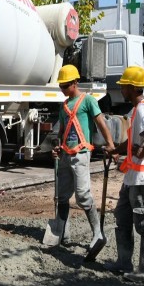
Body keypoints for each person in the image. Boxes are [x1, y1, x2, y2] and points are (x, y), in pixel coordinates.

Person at [43, 64, 115, 261]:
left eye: (66, 86)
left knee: (83, 196)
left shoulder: (88, 101)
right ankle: (63, 234)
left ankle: (97, 233)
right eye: (61, 86)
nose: (63, 89)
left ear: (75, 83)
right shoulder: (64, 106)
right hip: (66, 155)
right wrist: (57, 147)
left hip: (81, 154)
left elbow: (101, 122)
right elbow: (62, 131)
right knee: (63, 196)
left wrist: (110, 144)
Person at [106, 65, 144, 282]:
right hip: (132, 177)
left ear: (132, 88)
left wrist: (140, 153)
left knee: (143, 223)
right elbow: (133, 141)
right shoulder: (139, 108)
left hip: (142, 177)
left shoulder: (142, 109)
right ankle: (124, 263)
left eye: (123, 86)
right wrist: (115, 150)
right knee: (122, 217)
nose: (121, 89)